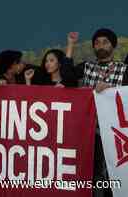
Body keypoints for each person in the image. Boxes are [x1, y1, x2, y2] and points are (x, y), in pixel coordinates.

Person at [68, 28, 128, 197]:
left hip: (116, 133)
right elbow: (68, 77)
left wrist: (112, 90)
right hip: (90, 132)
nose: (100, 45)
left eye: (105, 42)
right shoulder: (87, 66)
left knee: (112, 175)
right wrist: (71, 45)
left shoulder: (124, 69)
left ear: (113, 46)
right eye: (97, 43)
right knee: (93, 174)